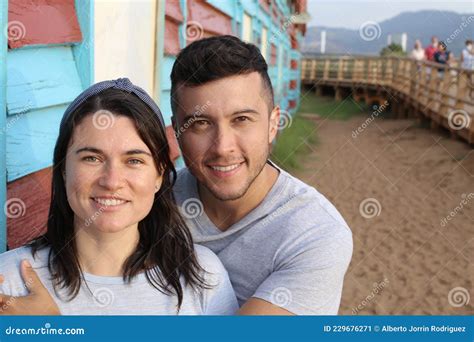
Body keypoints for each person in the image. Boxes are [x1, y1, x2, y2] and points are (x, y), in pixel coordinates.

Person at [2, 36, 353, 315]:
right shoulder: (147, 198)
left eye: (242, 120)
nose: (223, 147)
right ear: (176, 133)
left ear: (274, 122)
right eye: (200, 123)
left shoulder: (314, 236)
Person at [0, 79, 238, 315]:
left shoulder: (203, 278)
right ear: (63, 169)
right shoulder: (10, 281)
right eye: (92, 158)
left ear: (158, 176)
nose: (112, 181)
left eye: (134, 161)